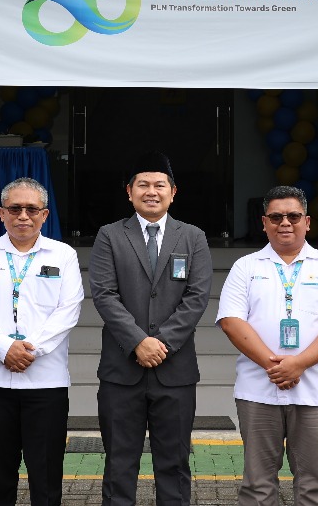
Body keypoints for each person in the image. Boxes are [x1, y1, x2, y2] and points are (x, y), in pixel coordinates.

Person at [216, 185, 318, 506]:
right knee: (257, 486)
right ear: (264, 223)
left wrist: (299, 363)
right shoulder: (246, 267)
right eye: (276, 217)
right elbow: (231, 321)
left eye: (293, 216)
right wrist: (274, 365)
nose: (285, 223)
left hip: (315, 391)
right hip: (258, 390)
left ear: (307, 222)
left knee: (314, 486)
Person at [89, 152, 212, 506]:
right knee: (119, 464)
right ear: (129, 192)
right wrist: (138, 342)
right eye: (143, 184)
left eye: (160, 185)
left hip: (175, 371)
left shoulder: (193, 237)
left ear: (173, 192)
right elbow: (104, 294)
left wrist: (161, 343)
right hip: (121, 370)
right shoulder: (110, 235)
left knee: (174, 465)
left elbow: (197, 297)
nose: (152, 192)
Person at [0, 177, 84, 506]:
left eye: (32, 209)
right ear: (2, 213)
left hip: (46, 381)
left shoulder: (63, 255)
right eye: (15, 209)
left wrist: (31, 350)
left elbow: (69, 309)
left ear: (45, 215)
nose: (23, 216)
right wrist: (4, 348)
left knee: (46, 476)